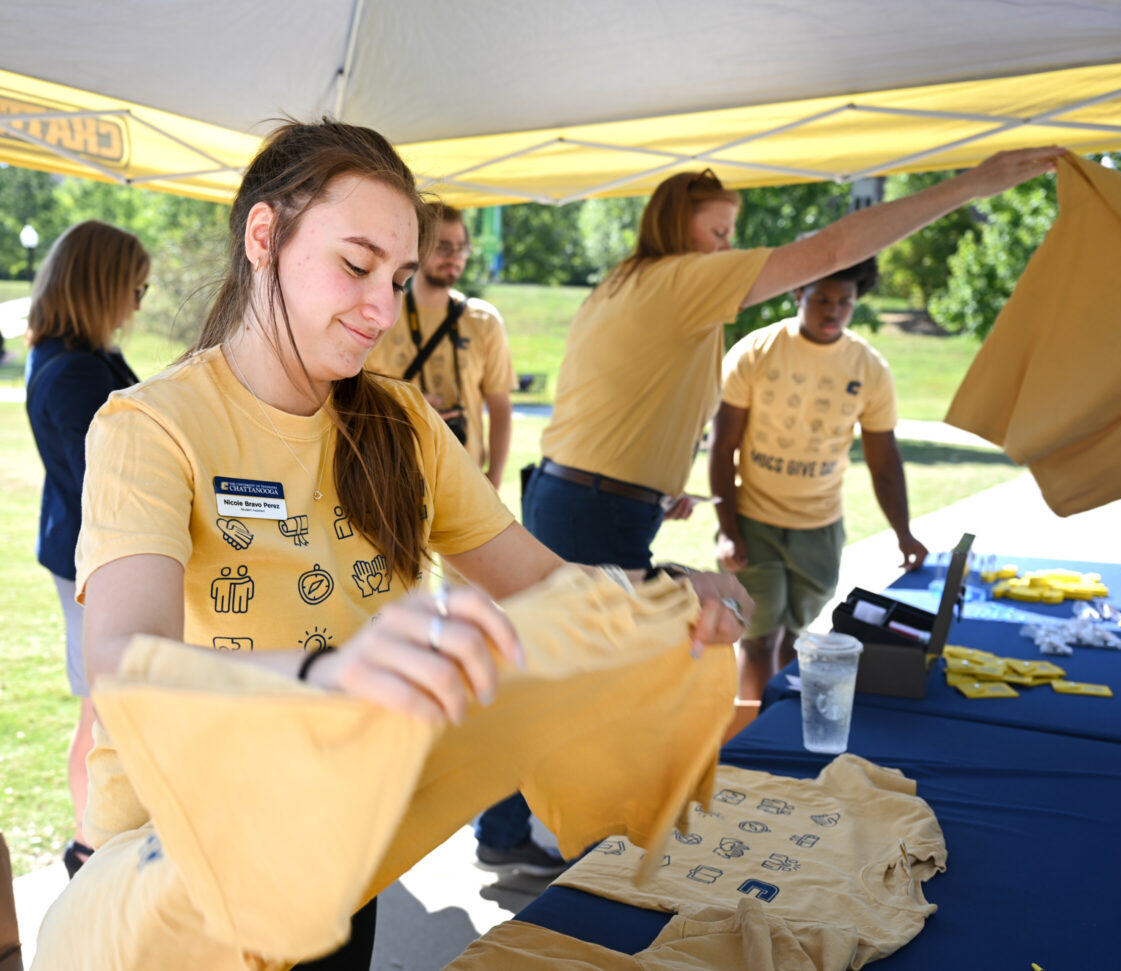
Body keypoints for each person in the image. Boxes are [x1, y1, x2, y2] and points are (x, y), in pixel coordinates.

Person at [75, 119, 749, 969]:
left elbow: (541, 583)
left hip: (333, 834)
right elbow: (123, 658)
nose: (380, 310)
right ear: (264, 237)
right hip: (177, 866)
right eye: (356, 266)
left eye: (397, 279)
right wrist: (327, 677)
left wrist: (664, 593)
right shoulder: (151, 427)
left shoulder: (402, 424)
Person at [524, 149, 1065, 571]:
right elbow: (833, 251)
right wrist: (971, 184)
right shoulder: (680, 279)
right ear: (673, 225)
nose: (727, 250)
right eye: (718, 234)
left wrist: (656, 485)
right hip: (594, 509)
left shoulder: (629, 281)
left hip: (584, 499)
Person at [709, 259, 927, 700]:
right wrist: (728, 530)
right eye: (821, 299)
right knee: (758, 639)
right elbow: (722, 445)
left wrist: (903, 532)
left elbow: (884, 460)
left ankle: (780, 722)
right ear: (798, 294)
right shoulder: (756, 352)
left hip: (820, 527)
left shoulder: (869, 367)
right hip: (754, 520)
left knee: (793, 638)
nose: (833, 311)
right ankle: (754, 726)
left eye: (845, 302)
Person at [23, 220, 148, 879]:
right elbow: (107, 480)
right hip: (93, 565)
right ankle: (88, 846)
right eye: (136, 288)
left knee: (101, 708)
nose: (138, 304)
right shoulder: (75, 369)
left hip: (82, 556)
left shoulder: (69, 354)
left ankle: (90, 843)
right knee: (102, 714)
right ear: (103, 285)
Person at [364, 203, 515, 488]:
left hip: (466, 482)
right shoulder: (381, 317)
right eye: (444, 247)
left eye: (461, 248)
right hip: (395, 479)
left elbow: (500, 405)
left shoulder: (484, 320)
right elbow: (353, 399)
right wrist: (408, 405)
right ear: (417, 248)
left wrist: (493, 481)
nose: (454, 257)